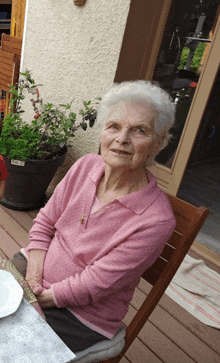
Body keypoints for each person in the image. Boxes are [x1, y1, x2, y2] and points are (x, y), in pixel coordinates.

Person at [13, 80, 176, 353]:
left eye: (139, 131)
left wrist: (32, 298)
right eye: (114, 126)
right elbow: (44, 225)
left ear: (158, 143)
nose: (122, 139)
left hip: (80, 314)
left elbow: (95, 285)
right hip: (34, 272)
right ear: (103, 132)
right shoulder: (87, 165)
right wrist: (31, 281)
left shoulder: (155, 220)